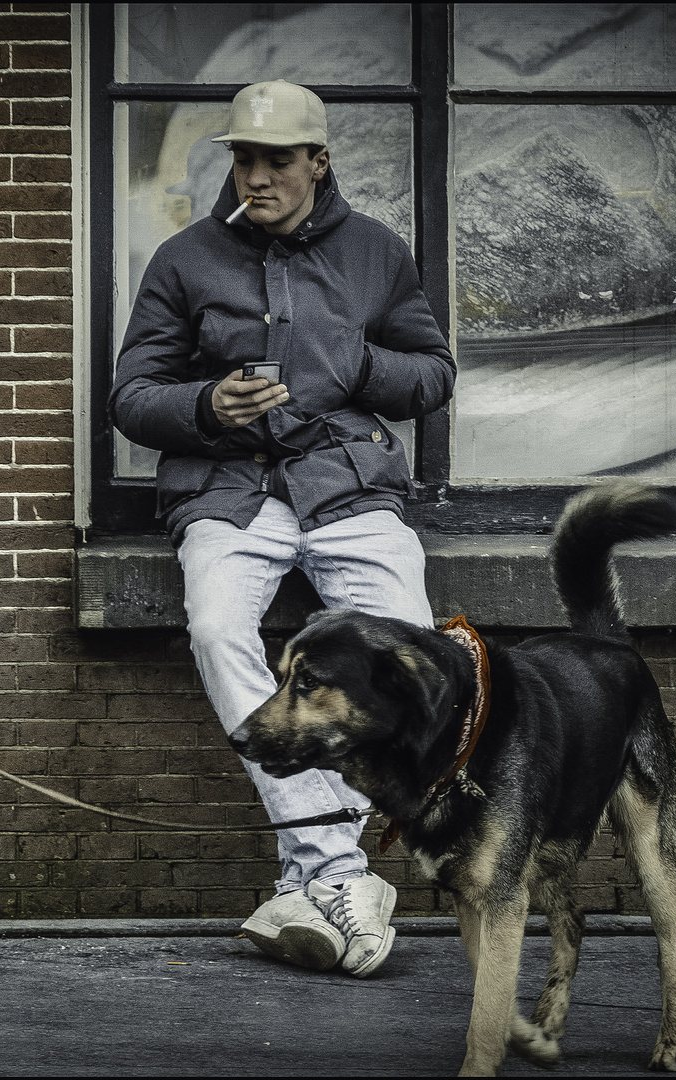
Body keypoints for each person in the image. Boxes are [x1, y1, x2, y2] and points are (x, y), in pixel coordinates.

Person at [109, 81, 454, 977]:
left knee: (412, 655)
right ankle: (338, 871)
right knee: (219, 626)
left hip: (348, 491)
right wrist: (204, 404)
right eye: (242, 159)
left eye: (274, 161)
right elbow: (132, 395)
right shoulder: (185, 259)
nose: (254, 178)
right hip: (230, 494)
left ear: (318, 161)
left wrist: (357, 362)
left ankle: (311, 883)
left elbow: (432, 374)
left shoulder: (378, 252)